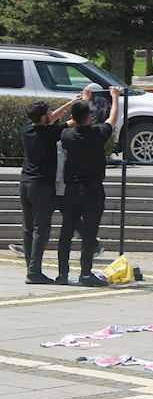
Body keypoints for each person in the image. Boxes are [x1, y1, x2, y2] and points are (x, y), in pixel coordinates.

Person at [57, 85, 121, 287]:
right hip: (93, 189)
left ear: (73, 118)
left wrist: (83, 99)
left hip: (71, 189)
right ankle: (85, 273)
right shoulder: (98, 133)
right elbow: (112, 118)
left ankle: (62, 274)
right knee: (89, 232)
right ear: (90, 117)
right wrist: (115, 97)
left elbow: (67, 124)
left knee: (66, 232)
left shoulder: (67, 136)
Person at [18, 94, 83, 283]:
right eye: (49, 112)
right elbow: (76, 121)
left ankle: (30, 268)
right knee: (41, 229)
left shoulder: (27, 129)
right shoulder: (50, 133)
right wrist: (83, 102)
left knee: (28, 228)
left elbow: (51, 119)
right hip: (41, 186)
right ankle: (34, 272)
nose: (52, 113)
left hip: (25, 183)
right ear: (43, 117)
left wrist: (69, 104)